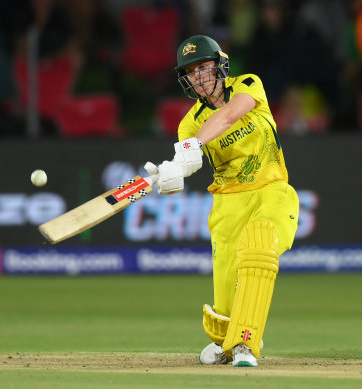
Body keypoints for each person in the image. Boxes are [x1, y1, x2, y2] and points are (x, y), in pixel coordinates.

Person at [145, 35, 299, 367]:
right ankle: (226, 343)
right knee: (226, 302)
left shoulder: (247, 84)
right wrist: (173, 173)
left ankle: (245, 344)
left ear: (219, 65)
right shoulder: (189, 123)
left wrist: (193, 146)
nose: (199, 76)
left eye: (204, 67)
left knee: (259, 246)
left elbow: (231, 114)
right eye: (191, 72)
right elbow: (190, 161)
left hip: (271, 190)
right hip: (227, 206)